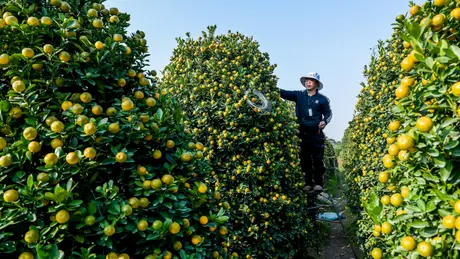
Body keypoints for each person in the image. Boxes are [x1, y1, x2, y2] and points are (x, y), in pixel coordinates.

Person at [279, 72, 332, 192]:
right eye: (307, 80)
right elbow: (283, 93)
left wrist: (324, 121)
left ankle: (319, 183)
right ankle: (308, 183)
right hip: (302, 134)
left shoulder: (322, 99)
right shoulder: (298, 95)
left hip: (316, 135)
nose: (308, 82)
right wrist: (271, 87)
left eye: (311, 80)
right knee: (304, 160)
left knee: (317, 160)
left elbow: (328, 114)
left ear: (316, 84)